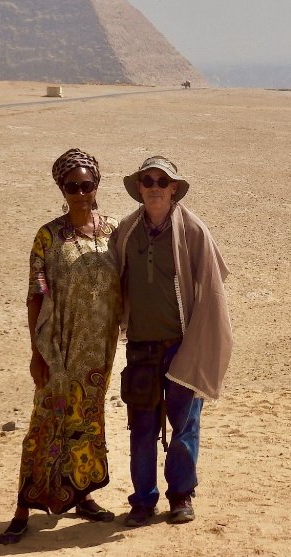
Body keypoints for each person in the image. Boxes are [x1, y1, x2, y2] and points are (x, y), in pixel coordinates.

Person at [0, 149, 122, 545]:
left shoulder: (115, 232)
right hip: (58, 349)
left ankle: (81, 494)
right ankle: (22, 506)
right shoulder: (49, 237)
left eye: (88, 185)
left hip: (98, 349)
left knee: (88, 420)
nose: (81, 193)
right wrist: (36, 352)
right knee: (45, 423)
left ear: (97, 184)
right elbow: (36, 295)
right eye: (73, 186)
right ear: (61, 188)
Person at [109, 155, 233, 527]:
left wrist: (201, 343)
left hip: (182, 345)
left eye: (162, 181)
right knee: (141, 428)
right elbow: (111, 282)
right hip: (142, 348)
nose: (154, 187)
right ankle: (143, 501)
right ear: (140, 188)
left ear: (173, 188)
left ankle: (180, 495)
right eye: (147, 181)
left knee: (185, 425)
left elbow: (212, 289)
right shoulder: (127, 230)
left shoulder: (193, 230)